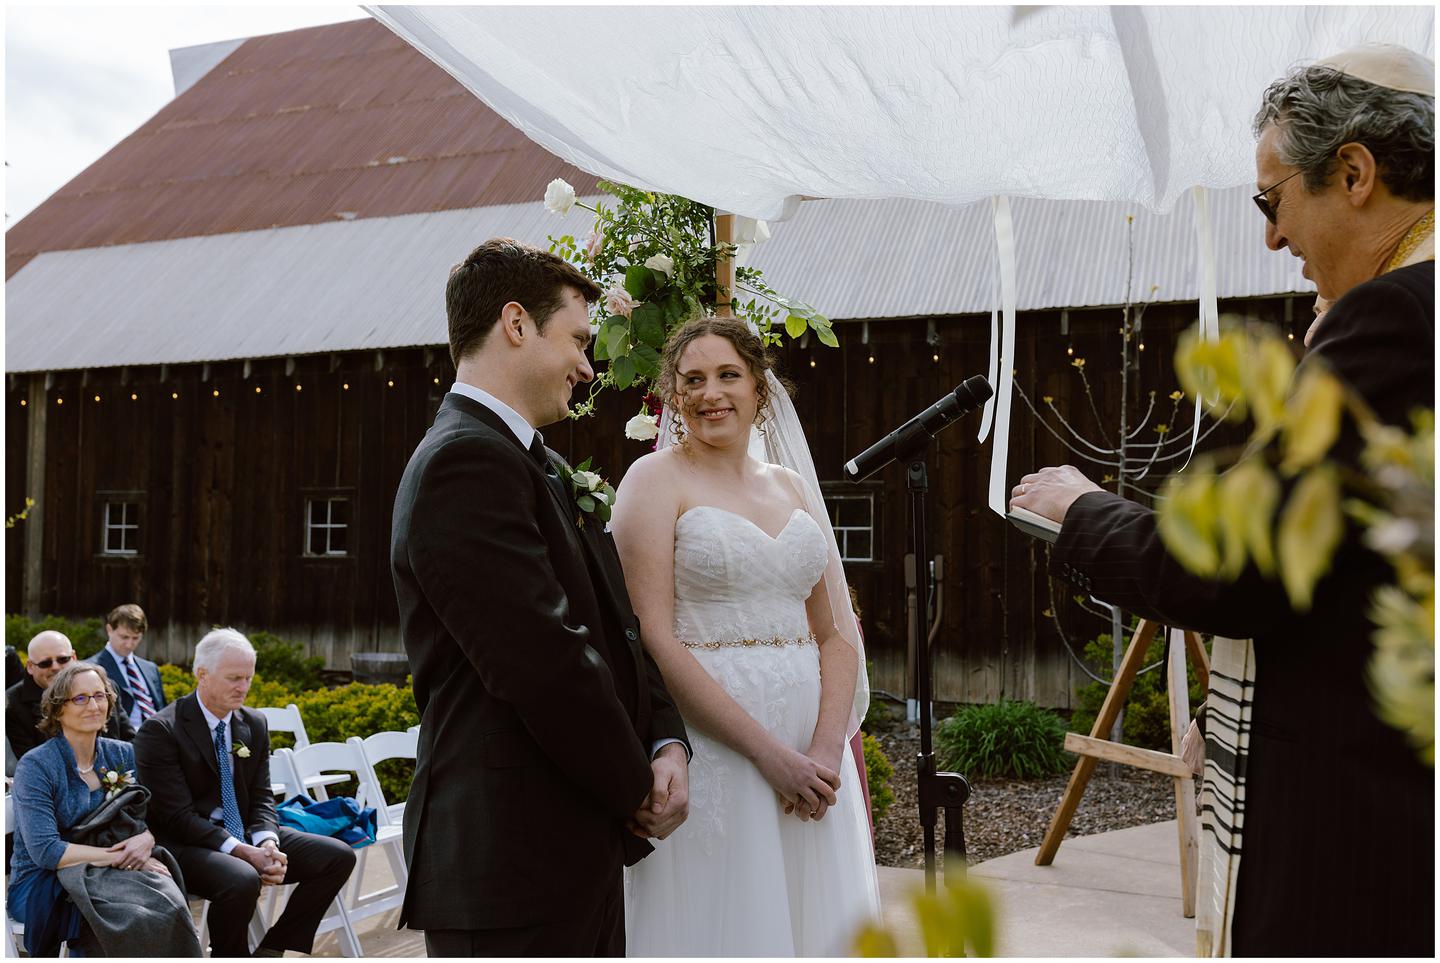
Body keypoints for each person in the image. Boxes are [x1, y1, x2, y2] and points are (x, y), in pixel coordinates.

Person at [1010, 44, 1432, 957]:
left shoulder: (1395, 318)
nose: (1273, 240)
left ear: (1353, 173)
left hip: (1367, 816)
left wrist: (1082, 511)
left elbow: (1238, 567)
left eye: (1271, 201)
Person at [389, 237, 691, 956]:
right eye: (579, 341)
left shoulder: (535, 461)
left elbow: (618, 622)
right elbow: (542, 658)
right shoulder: (463, 463)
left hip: (560, 840)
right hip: (508, 859)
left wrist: (666, 737)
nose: (589, 367)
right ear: (517, 324)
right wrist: (634, 785)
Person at [613, 316, 881, 956]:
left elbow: (836, 632)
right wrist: (769, 755)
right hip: (720, 744)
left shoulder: (790, 486)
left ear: (760, 388)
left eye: (728, 375)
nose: (711, 393)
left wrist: (822, 749)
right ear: (674, 397)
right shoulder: (653, 483)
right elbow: (653, 634)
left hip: (814, 748)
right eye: (693, 380)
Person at [133, 628, 356, 957]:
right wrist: (241, 851)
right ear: (202, 675)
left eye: (248, 678)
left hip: (243, 836)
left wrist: (267, 842)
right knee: (242, 878)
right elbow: (176, 818)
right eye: (234, 678)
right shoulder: (162, 730)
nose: (243, 688)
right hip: (186, 844)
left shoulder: (253, 723)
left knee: (338, 856)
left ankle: (272, 948)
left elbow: (262, 796)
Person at [8, 661, 189, 956]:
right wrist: (120, 857)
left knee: (165, 897)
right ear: (57, 709)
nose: (93, 705)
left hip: (110, 874)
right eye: (80, 698)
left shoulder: (122, 753)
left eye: (99, 695)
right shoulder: (37, 765)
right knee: (122, 916)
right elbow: (46, 852)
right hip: (42, 882)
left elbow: (148, 816)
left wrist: (147, 840)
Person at [8, 631, 134, 760]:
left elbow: (130, 739)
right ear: (30, 666)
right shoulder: (12, 704)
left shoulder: (103, 686)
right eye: (45, 663)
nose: (55, 667)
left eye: (63, 659)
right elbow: (31, 762)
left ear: (73, 657)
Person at [92, 604, 166, 731]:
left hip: (159, 737)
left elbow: (162, 709)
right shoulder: (92, 669)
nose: (129, 644)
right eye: (124, 637)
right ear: (109, 630)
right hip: (124, 740)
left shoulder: (150, 669)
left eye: (135, 638)